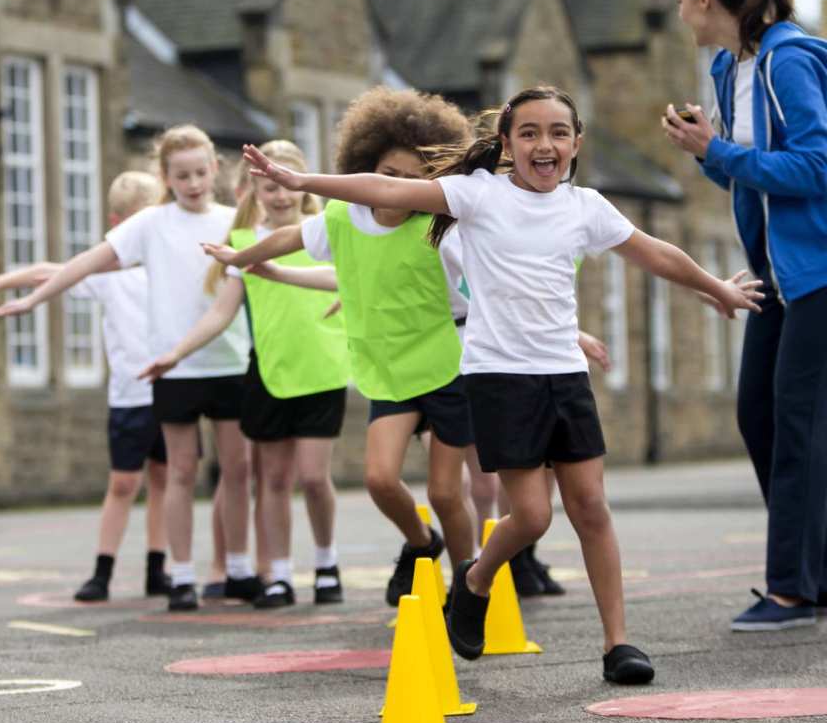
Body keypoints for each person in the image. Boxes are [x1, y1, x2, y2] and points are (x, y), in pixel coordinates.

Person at [241, 85, 761, 683]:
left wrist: (715, 287)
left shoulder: (585, 207)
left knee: (591, 506)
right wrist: (305, 183)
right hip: (499, 376)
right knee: (533, 517)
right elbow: (386, 188)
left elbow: (655, 253)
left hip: (563, 375)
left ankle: (618, 644)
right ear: (508, 143)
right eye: (531, 133)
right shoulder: (476, 195)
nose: (545, 144)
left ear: (575, 143)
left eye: (558, 133)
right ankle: (477, 577)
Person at [205, 89, 483, 607]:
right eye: (386, 174)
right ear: (364, 168)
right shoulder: (342, 220)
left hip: (449, 361)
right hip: (389, 366)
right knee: (379, 479)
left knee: (447, 493)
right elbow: (287, 240)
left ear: (433, 184)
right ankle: (422, 544)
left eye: (411, 179)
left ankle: (467, 589)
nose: (394, 188)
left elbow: (488, 292)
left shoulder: (443, 231)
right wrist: (240, 258)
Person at [0, 125, 257, 613]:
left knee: (236, 469)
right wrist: (32, 300)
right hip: (171, 368)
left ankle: (238, 569)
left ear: (215, 168)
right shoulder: (151, 224)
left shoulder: (235, 221)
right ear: (165, 177)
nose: (193, 183)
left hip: (230, 363)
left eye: (200, 172)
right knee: (179, 472)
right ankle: (182, 577)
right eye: (181, 176)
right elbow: (87, 261)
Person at [666, 0, 827, 631]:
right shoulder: (730, 67)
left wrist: (721, 150)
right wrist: (708, 153)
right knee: (757, 415)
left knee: (795, 422)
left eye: (681, 0)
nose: (681, 15)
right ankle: (811, 570)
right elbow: (746, 173)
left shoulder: (788, 61)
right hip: (774, 275)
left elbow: (816, 166)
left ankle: (791, 590)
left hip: (817, 271)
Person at [141, 140, 349, 608]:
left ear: (300, 185)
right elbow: (220, 313)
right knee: (272, 480)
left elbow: (355, 281)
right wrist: (176, 354)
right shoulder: (243, 245)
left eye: (284, 185)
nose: (278, 196)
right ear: (253, 188)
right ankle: (276, 574)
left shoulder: (328, 232)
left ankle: (326, 562)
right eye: (267, 187)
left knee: (314, 477)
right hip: (270, 373)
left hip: (323, 369)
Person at [0, 171, 172, 601]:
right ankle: (102, 571)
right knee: (123, 484)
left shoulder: (170, 267)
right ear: (117, 224)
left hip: (172, 390)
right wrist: (0, 282)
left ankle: (158, 567)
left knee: (167, 482)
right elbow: (48, 273)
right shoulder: (107, 274)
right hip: (130, 397)